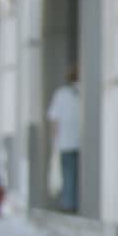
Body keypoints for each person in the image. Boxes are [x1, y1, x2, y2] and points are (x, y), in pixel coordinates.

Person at [47, 65, 81, 213]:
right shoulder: (81, 93)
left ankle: (68, 204)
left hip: (65, 142)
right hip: (80, 142)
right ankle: (74, 203)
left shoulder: (61, 94)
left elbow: (54, 119)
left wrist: (55, 140)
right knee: (76, 174)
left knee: (67, 173)